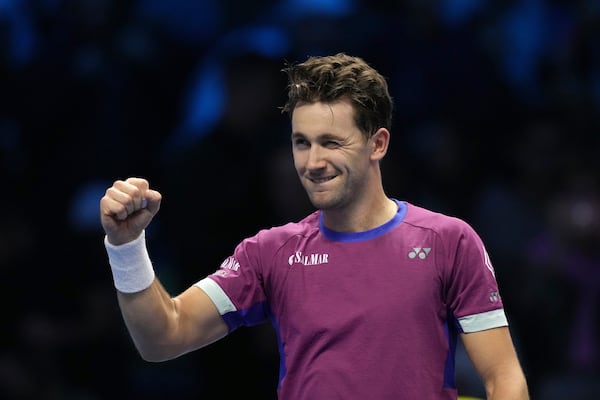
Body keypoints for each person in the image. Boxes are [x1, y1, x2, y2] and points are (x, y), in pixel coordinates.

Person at [100, 53, 529, 399]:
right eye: (301, 142)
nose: (312, 163)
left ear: (377, 143)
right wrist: (126, 245)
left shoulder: (448, 241)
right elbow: (162, 338)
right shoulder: (270, 252)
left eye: (331, 142)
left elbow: (504, 380)